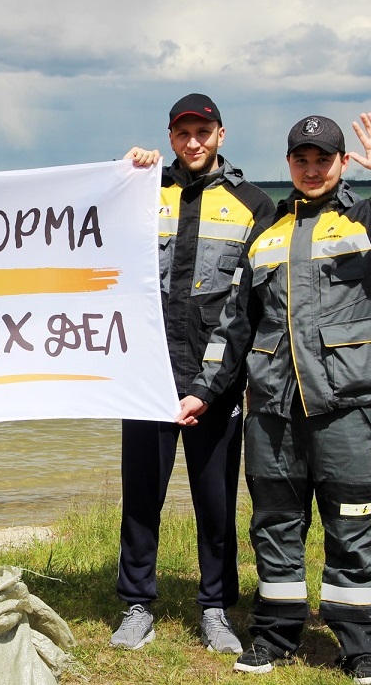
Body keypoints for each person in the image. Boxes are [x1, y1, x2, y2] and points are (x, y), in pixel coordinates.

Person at [232, 113, 371, 684]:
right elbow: (238, 326)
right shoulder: (265, 233)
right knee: (274, 526)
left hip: (348, 409)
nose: (312, 170)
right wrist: (206, 391)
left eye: (323, 160)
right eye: (301, 160)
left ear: (342, 162)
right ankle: (274, 636)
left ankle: (364, 650)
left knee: (355, 528)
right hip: (273, 411)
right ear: (288, 163)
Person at [112, 94, 275, 653]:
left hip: (217, 385)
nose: (193, 142)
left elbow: (248, 310)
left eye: (202, 132)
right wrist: (121, 172)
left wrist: (210, 388)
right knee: (141, 498)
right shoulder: (143, 191)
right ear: (170, 137)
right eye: (182, 133)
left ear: (220, 134)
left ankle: (216, 609)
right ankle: (137, 605)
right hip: (147, 380)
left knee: (216, 502)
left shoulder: (253, 205)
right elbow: (94, 232)